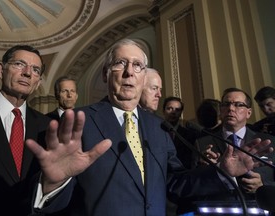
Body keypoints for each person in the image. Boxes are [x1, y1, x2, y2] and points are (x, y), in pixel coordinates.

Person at [25, 39, 272, 216]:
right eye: (120, 63)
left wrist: (221, 171)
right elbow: (54, 204)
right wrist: (52, 184)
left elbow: (174, 184)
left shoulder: (159, 127)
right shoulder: (78, 121)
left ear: (144, 77)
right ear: (105, 74)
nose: (129, 72)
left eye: (137, 66)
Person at [0, 45, 51, 215]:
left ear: (37, 83)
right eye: (19, 64)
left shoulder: (47, 127)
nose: (27, 73)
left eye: (35, 70)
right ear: (1, 70)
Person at [193, 87, 275, 203]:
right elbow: (192, 184)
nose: (230, 108)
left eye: (238, 105)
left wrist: (264, 185)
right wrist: (206, 170)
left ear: (249, 112)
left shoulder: (269, 141)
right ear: (221, 110)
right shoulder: (203, 143)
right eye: (226, 104)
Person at [163, 96, 195, 169]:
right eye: (169, 108)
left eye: (177, 110)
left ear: (181, 113)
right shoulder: (156, 133)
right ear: (163, 111)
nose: (173, 112)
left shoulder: (189, 135)